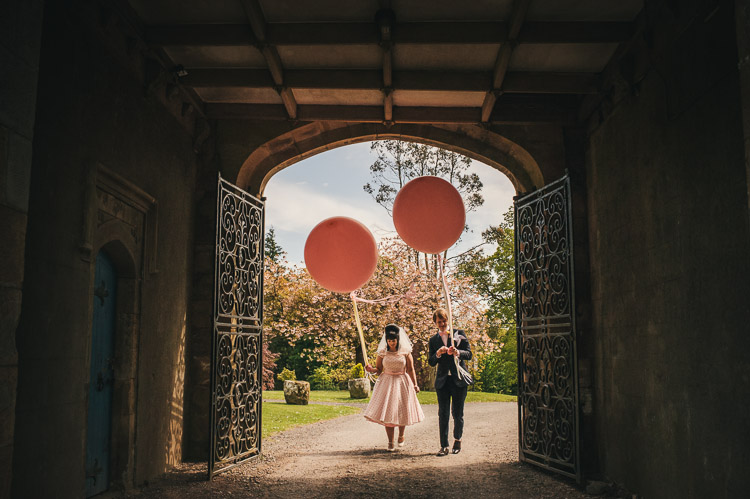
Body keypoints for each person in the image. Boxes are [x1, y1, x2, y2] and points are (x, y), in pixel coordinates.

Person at [364, 324, 424, 451]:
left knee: (402, 410)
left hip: (402, 381)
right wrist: (371, 369)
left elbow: (410, 369)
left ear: (398, 340)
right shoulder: (382, 353)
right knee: (388, 412)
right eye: (389, 341)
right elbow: (379, 369)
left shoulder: (405, 352)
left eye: (393, 340)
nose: (391, 343)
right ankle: (390, 441)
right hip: (387, 382)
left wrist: (415, 384)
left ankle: (401, 435)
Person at [428, 307, 472, 456]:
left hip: (458, 379)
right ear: (435, 323)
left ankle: (457, 439)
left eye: (444, 320)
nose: (442, 323)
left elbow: (469, 354)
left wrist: (458, 353)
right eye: (439, 321)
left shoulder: (459, 334)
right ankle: (444, 446)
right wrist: (438, 354)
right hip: (442, 382)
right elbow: (431, 361)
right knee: (443, 414)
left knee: (457, 413)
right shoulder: (433, 340)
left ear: (449, 320)